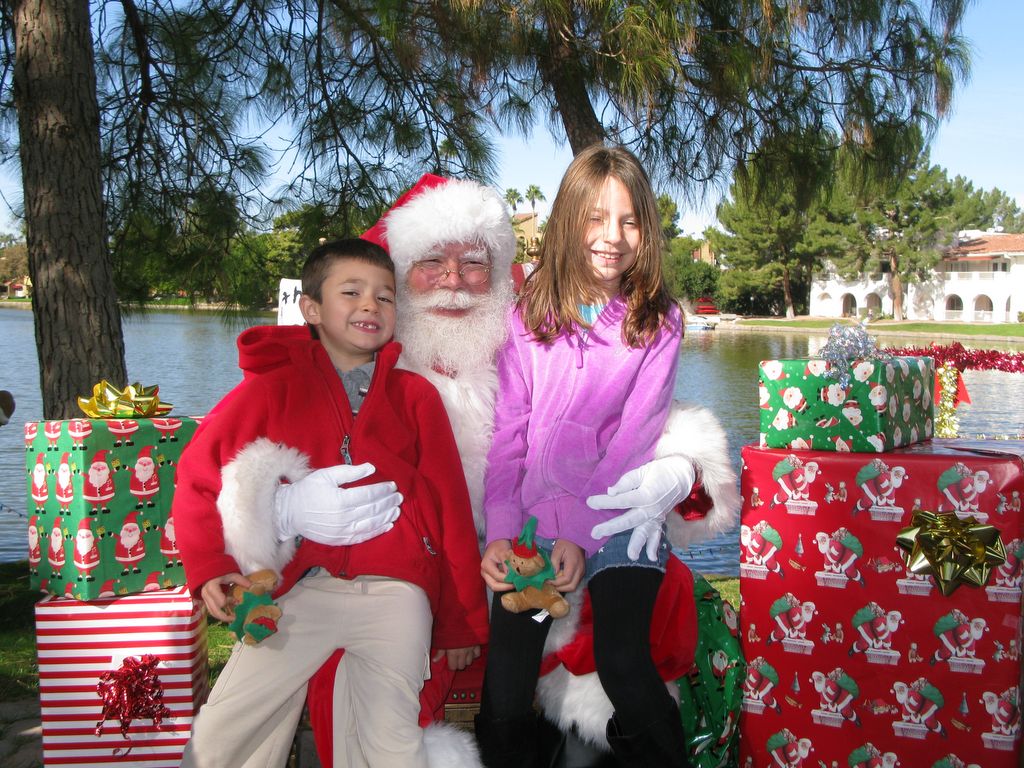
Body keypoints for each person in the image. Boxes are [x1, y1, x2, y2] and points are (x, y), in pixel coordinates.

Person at [233, 174, 740, 767]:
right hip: (451, 554)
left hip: (584, 522)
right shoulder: (357, 366)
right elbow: (247, 448)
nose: (452, 280)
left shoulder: (574, 321)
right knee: (496, 683)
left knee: (627, 651)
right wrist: (284, 506)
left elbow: (633, 424)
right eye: (430, 262)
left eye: (472, 263)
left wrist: (682, 468)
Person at [174, 238, 489, 767]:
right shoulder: (271, 391)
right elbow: (198, 479)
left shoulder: (415, 398)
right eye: (352, 292)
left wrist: (461, 622)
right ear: (312, 309)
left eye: (385, 297)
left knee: (390, 741)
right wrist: (212, 567)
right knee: (228, 728)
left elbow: (449, 509)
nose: (371, 305)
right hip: (301, 592)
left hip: (397, 595)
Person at [476, 144, 689, 767]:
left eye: (629, 221)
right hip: (534, 522)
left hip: (617, 515)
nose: (612, 237)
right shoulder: (530, 314)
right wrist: (505, 532)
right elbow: (509, 431)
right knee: (506, 691)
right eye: (596, 218)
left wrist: (577, 531)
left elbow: (631, 443)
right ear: (570, 220)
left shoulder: (658, 322)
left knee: (624, 663)